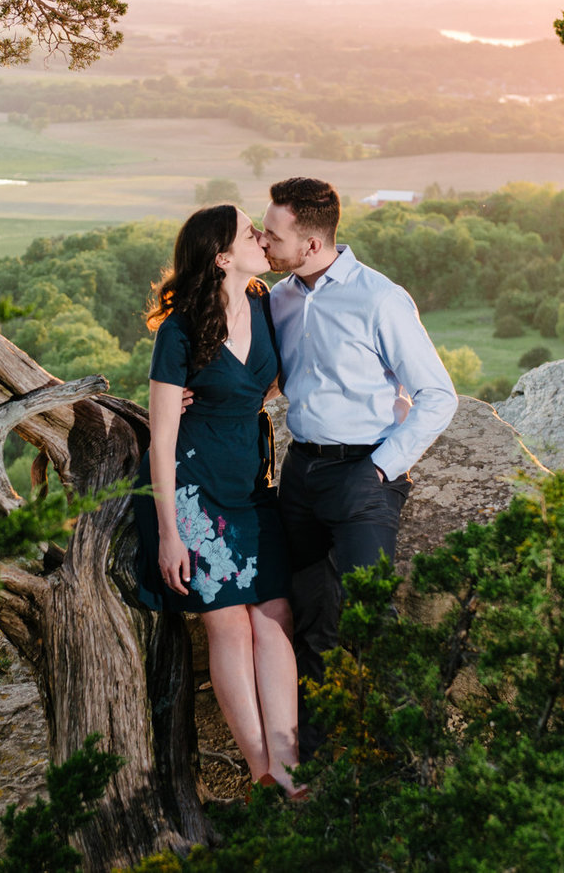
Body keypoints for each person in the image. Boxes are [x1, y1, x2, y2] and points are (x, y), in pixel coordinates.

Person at [257, 176, 457, 759]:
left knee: (371, 619)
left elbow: (437, 395)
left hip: (363, 475)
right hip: (300, 476)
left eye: (273, 235)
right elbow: (267, 377)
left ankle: (404, 763)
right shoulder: (279, 299)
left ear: (312, 244)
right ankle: (316, 762)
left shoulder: (380, 299)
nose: (263, 242)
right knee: (311, 615)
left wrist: (381, 469)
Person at [132, 203, 302, 795]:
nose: (262, 237)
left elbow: (269, 379)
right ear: (222, 257)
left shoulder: (264, 304)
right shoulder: (179, 330)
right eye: (250, 233)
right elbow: (160, 437)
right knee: (228, 624)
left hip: (252, 484)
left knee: (275, 615)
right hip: (194, 488)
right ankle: (263, 769)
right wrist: (170, 532)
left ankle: (290, 759)